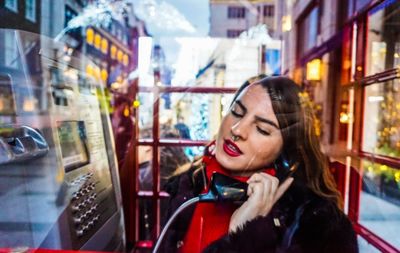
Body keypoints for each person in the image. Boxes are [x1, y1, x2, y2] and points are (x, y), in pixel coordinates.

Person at [160, 76, 358, 253]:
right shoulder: (189, 185)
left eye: (262, 129)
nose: (237, 130)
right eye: (237, 112)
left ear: (287, 154)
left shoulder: (319, 227)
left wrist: (244, 236)